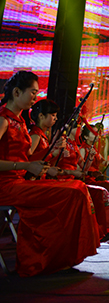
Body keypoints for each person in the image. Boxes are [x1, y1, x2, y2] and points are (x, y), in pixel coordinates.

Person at [0, 71, 100, 276]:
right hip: (6, 186)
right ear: (17, 92)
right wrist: (26, 166)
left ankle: (60, 256)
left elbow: (28, 158)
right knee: (72, 192)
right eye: (33, 92)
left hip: (20, 182)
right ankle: (42, 259)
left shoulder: (19, 123)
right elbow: (24, 163)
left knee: (78, 187)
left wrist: (46, 159)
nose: (35, 97)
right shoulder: (3, 120)